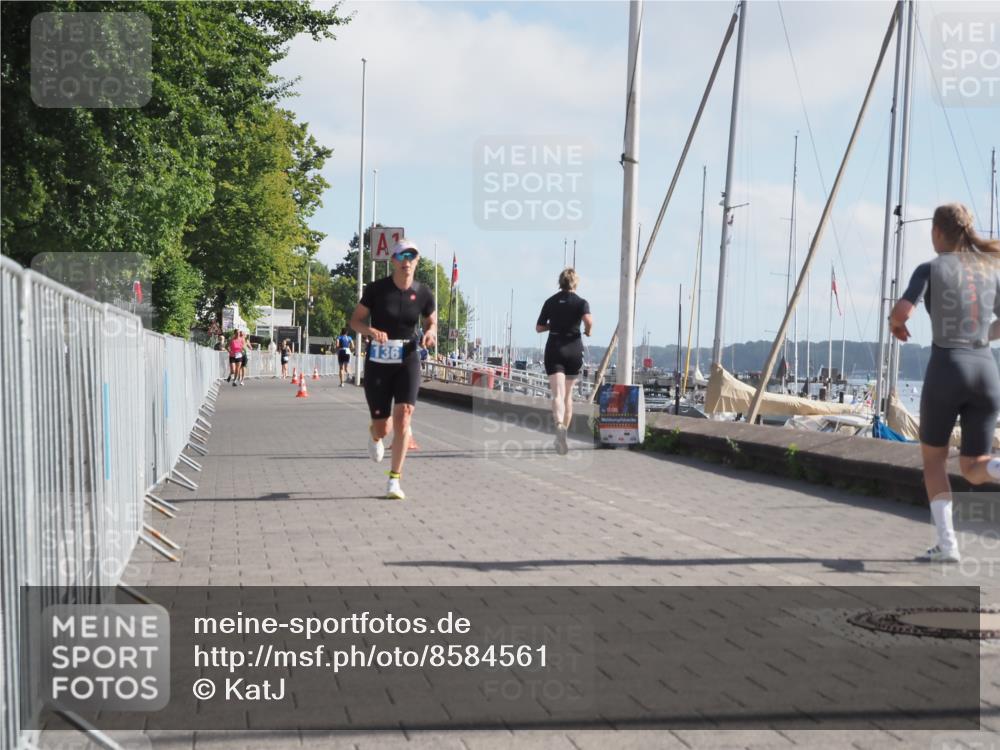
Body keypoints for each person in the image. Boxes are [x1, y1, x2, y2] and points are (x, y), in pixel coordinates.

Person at [890, 203, 1000, 562]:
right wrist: (982, 332)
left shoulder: (931, 268)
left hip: (947, 368)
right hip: (986, 370)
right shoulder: (990, 271)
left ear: (937, 232)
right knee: (974, 467)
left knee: (934, 461)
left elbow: (902, 310)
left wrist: (897, 325)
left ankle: (948, 545)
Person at [350, 239, 436, 500]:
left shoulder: (423, 293)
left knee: (404, 416)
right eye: (402, 256)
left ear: (417, 261)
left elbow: (431, 321)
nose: (407, 261)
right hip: (378, 361)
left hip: (407, 356)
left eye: (412, 256)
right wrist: (371, 330)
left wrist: (430, 333)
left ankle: (394, 481)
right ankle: (374, 436)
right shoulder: (377, 290)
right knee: (383, 428)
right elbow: (355, 321)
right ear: (394, 261)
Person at [536, 268, 593, 454]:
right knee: (568, 396)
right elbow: (589, 321)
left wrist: (553, 324)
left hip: (555, 347)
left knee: (557, 395)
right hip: (574, 348)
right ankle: (563, 434)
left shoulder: (550, 301)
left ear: (560, 282)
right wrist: (588, 331)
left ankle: (559, 425)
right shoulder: (581, 303)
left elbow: (539, 327)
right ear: (575, 283)